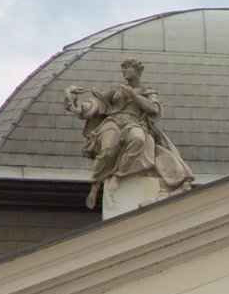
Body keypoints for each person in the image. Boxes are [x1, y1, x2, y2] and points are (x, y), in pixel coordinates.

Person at [63, 58, 195, 209]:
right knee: (107, 148)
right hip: (113, 122)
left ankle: (118, 176)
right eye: (123, 68)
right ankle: (95, 184)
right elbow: (97, 103)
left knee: (138, 139)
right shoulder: (116, 89)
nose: (124, 71)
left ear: (138, 71)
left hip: (134, 123)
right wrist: (75, 104)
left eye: (127, 68)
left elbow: (154, 109)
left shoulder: (147, 91)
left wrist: (134, 96)